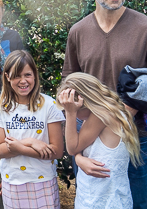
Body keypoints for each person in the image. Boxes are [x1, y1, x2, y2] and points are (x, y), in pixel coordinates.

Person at [61, 0, 147, 207]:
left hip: (135, 137)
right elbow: (69, 84)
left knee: (138, 202)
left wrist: (121, 114)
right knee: (95, 201)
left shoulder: (144, 27)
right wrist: (77, 154)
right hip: (89, 139)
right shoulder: (78, 31)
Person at [0, 50, 64, 209]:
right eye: (17, 75)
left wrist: (19, 149)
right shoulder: (0, 108)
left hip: (43, 180)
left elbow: (57, 151)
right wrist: (29, 142)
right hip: (13, 181)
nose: (23, 81)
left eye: (27, 75)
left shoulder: (49, 105)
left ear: (35, 76)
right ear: (7, 77)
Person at [57, 72, 142, 208]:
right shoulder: (108, 111)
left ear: (85, 103)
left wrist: (70, 113)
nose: (76, 117)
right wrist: (79, 158)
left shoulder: (101, 116)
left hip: (101, 202)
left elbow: (72, 148)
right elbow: (79, 148)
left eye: (74, 110)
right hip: (100, 197)